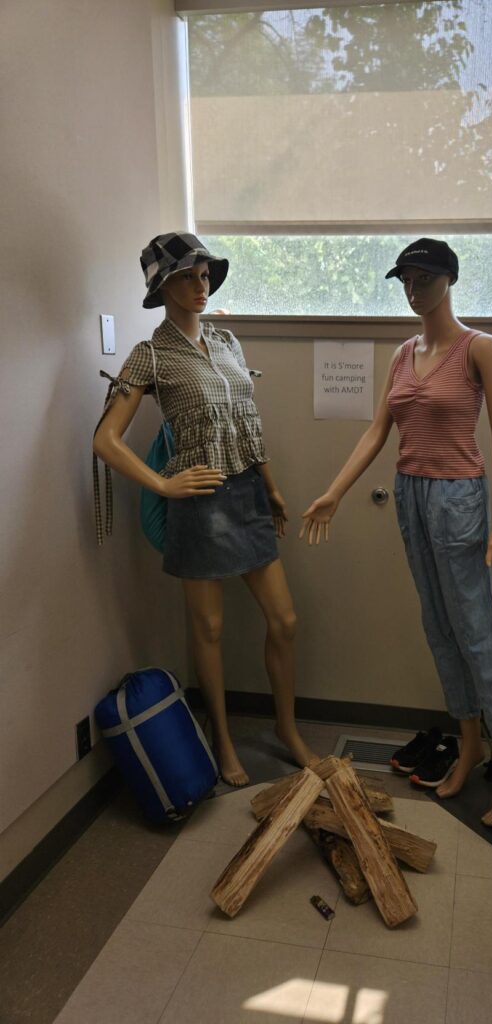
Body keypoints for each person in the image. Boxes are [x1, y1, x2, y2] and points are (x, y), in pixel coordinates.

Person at [300, 238, 492, 825]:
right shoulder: (403, 353)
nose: (413, 288)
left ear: (450, 279)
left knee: (477, 631)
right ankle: (469, 742)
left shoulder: (481, 348)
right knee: (439, 626)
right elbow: (379, 431)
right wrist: (334, 491)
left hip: (458, 498)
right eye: (405, 278)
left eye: (424, 277)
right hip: (411, 495)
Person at [93, 232, 316, 785]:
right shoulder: (150, 354)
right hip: (199, 501)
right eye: (188, 275)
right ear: (162, 285)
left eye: (205, 273)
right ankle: (223, 740)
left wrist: (272, 484)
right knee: (209, 629)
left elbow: (249, 418)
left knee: (285, 620)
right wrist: (164, 486)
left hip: (247, 493)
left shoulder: (227, 343)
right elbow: (106, 440)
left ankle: (287, 728)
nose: (202, 284)